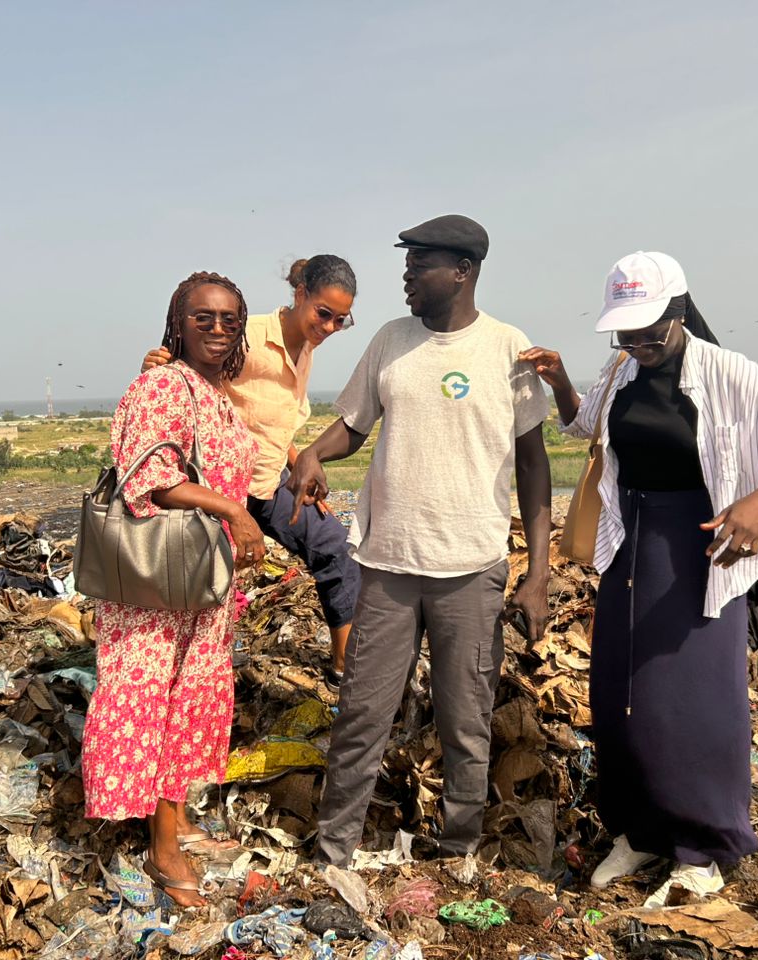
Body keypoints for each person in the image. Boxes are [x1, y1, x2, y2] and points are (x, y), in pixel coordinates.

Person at [520, 251, 758, 905]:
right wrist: (558, 382)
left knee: (692, 705)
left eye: (649, 332)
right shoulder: (621, 370)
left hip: (700, 550)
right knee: (622, 697)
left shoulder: (729, 374)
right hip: (630, 547)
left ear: (680, 311)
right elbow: (587, 426)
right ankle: (639, 831)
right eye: (626, 334)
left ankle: (701, 847)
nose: (638, 344)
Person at [289, 215, 553, 865]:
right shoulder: (390, 341)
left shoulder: (506, 349)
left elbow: (534, 464)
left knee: (465, 722)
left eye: (420, 264)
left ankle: (459, 850)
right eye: (407, 264)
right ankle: (334, 851)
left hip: (472, 565)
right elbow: (351, 427)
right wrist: (314, 455)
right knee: (361, 715)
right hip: (388, 564)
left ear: (462, 271)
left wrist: (539, 572)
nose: (406, 275)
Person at [82, 271, 267, 907]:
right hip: (156, 586)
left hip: (201, 579)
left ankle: (179, 816)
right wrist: (234, 513)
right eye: (203, 318)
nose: (218, 329)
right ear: (177, 323)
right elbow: (154, 480)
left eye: (229, 320)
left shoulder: (216, 393)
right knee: (154, 695)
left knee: (193, 694)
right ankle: (162, 844)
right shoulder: (165, 384)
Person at [141, 255, 361, 690]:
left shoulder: (308, 347)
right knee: (204, 593)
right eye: (324, 314)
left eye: (341, 320)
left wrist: (300, 464)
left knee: (335, 548)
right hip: (219, 487)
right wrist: (160, 368)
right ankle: (176, 680)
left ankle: (344, 669)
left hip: (268, 482)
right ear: (300, 295)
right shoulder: (249, 336)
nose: (330, 327)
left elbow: (267, 419)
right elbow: (191, 373)